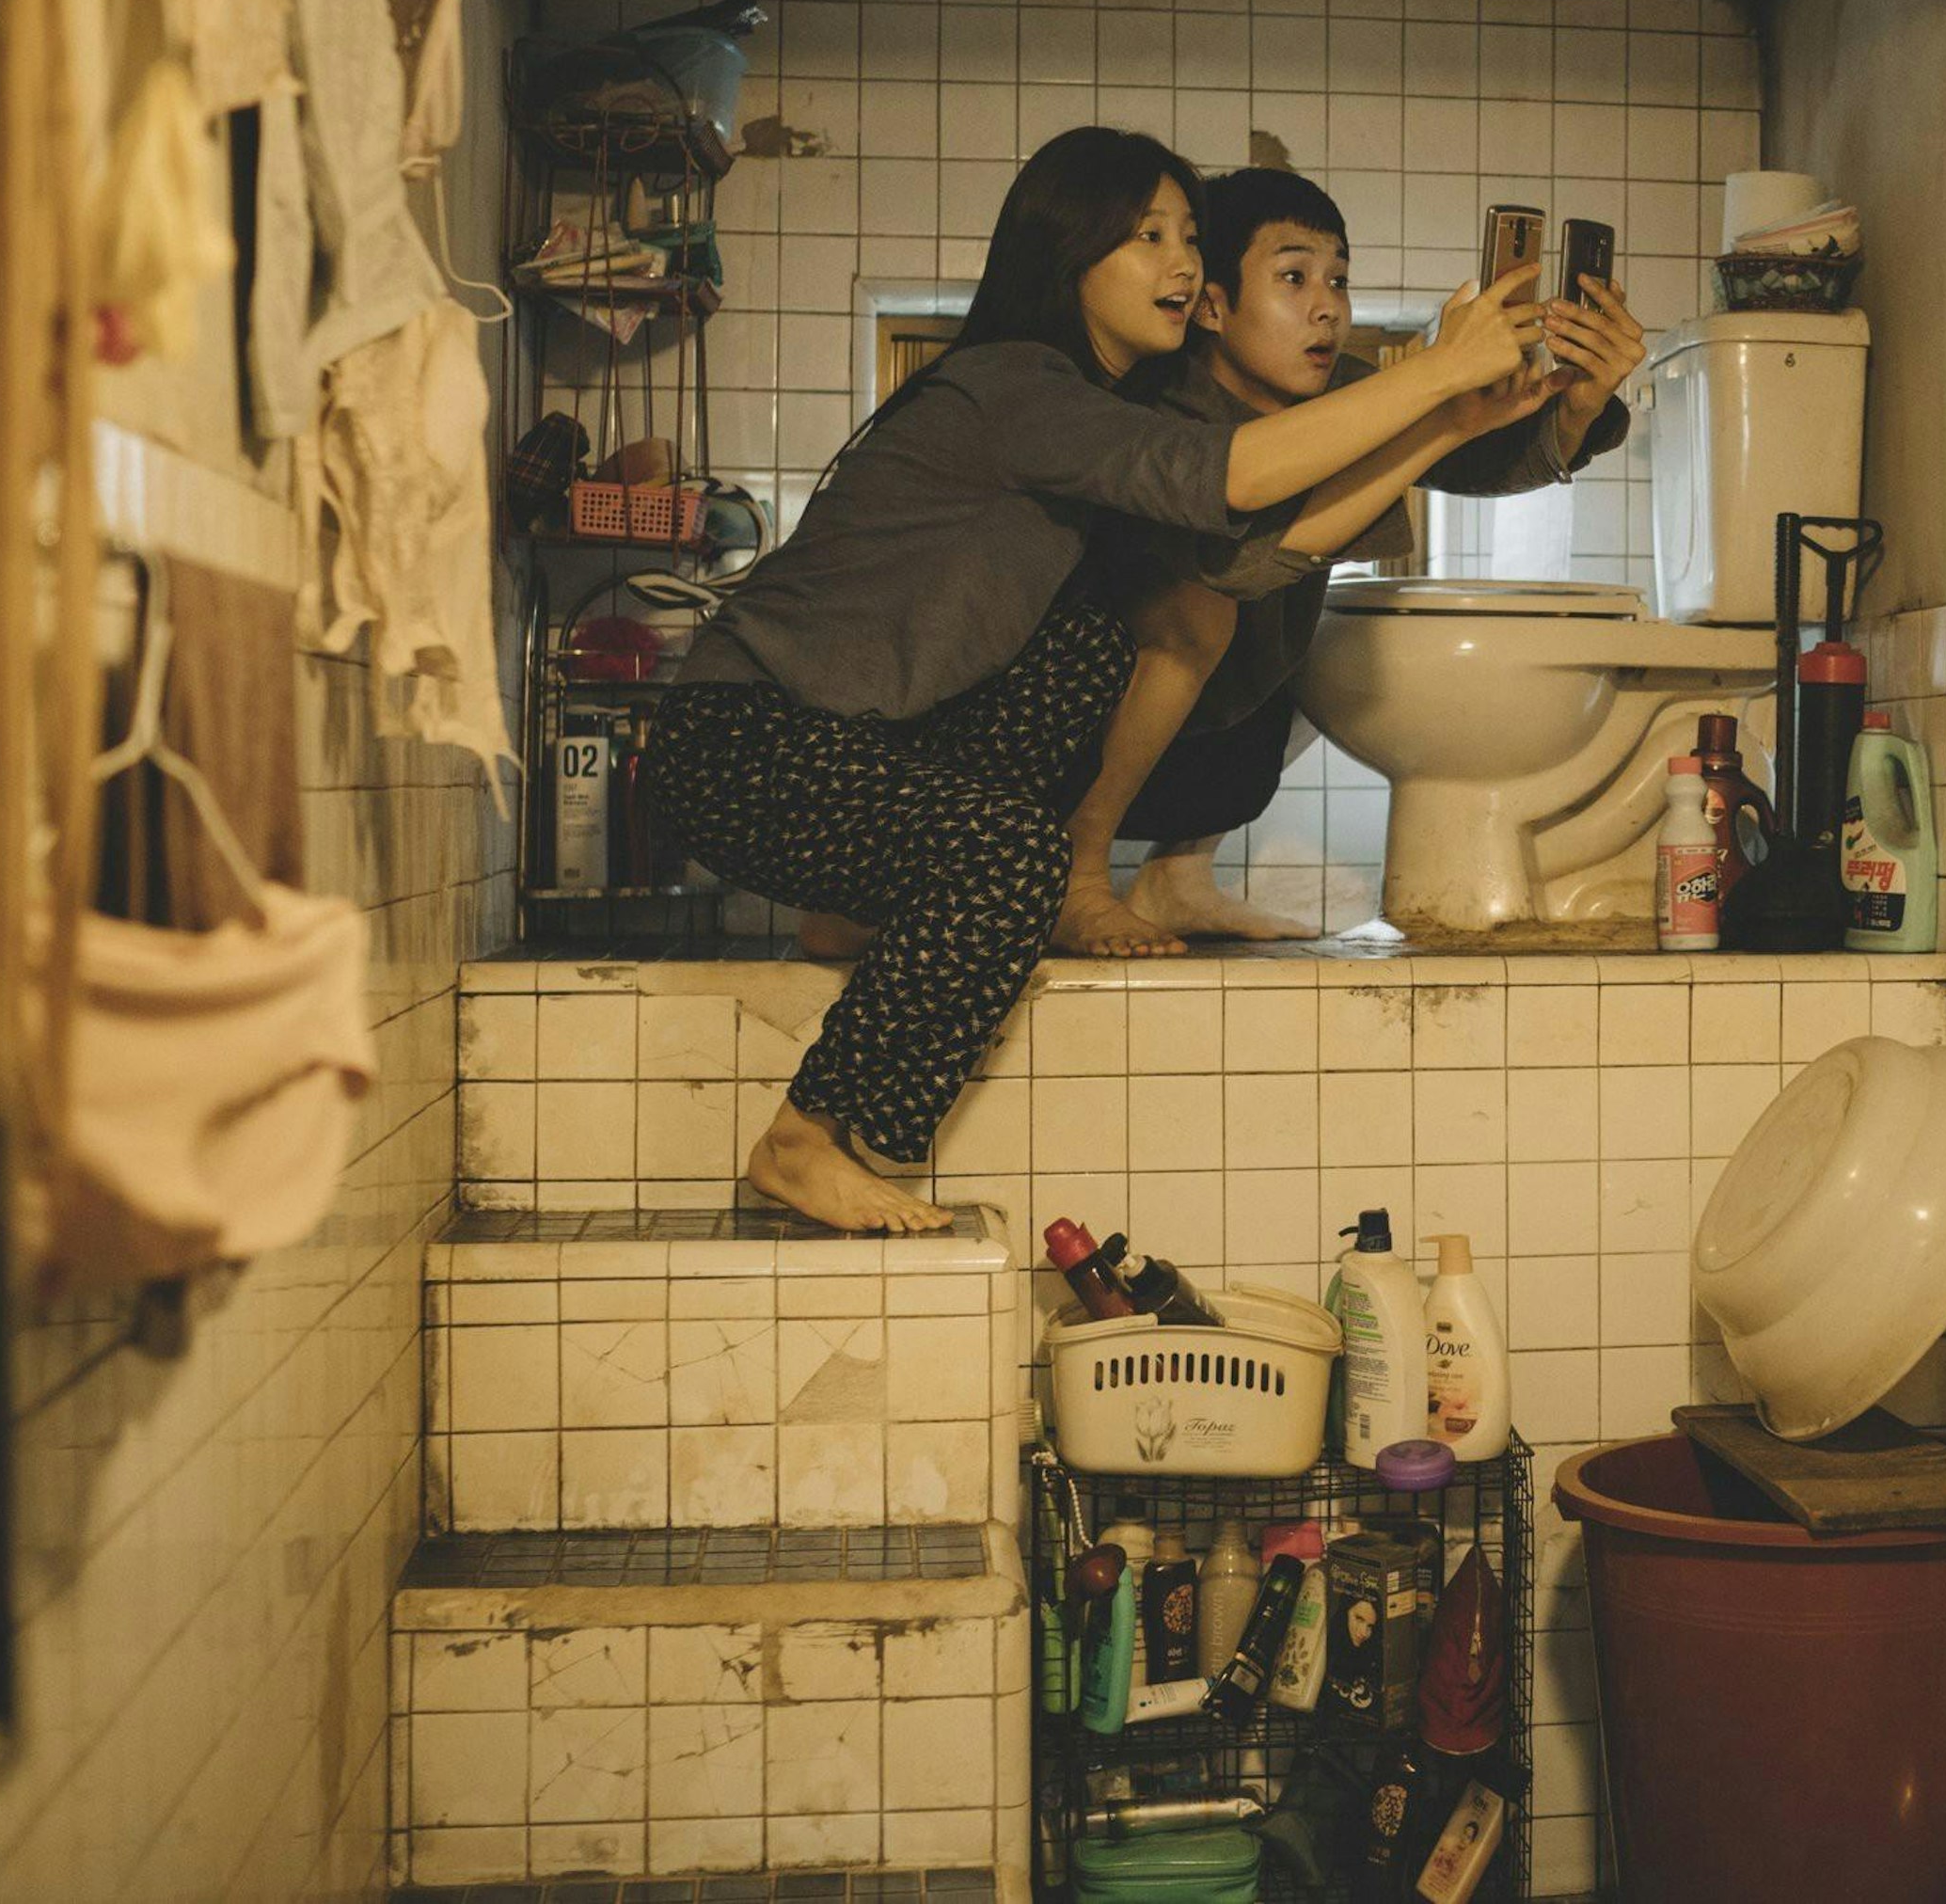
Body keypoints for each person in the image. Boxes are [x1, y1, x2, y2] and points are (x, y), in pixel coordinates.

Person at [646, 126, 1542, 1229]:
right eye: (1147, 236)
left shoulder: (1094, 412)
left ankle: (843, 916)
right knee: (1011, 861)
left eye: (1186, 236)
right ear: (1069, 254)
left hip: (853, 742)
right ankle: (804, 1141)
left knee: (1092, 646)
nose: (1180, 262)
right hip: (744, 739)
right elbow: (1231, 476)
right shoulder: (1018, 386)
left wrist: (1446, 421)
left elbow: (1246, 555)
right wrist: (1439, 369)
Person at [1052, 168, 1648, 955]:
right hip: (1073, 749)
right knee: (1212, 603)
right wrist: (1433, 393)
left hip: (1218, 749)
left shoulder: (1342, 385)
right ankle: (1077, 875)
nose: (1327, 304)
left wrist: (1575, 411)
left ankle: (1178, 876)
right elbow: (1237, 564)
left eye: (1338, 279)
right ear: (1213, 304)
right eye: (1293, 277)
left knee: (1333, 626)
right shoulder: (1159, 409)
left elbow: (1477, 454)